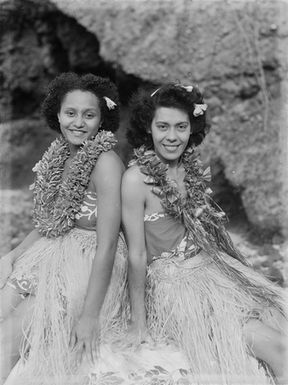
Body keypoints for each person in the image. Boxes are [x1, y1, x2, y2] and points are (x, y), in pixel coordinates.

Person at [121, 83, 288, 384]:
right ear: (148, 128)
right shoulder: (136, 179)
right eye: (163, 126)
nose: (172, 136)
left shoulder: (190, 170)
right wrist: (138, 320)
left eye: (181, 127)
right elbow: (136, 254)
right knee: (273, 345)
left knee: (276, 317)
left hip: (210, 271)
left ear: (192, 128)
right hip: (174, 283)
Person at [0, 72, 127, 385]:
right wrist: (11, 256)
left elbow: (108, 244)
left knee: (8, 337)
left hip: (91, 259)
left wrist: (90, 315)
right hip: (53, 248)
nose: (78, 123)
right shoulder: (59, 156)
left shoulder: (106, 162)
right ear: (57, 114)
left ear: (102, 119)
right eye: (70, 113)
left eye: (89, 115)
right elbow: (48, 224)